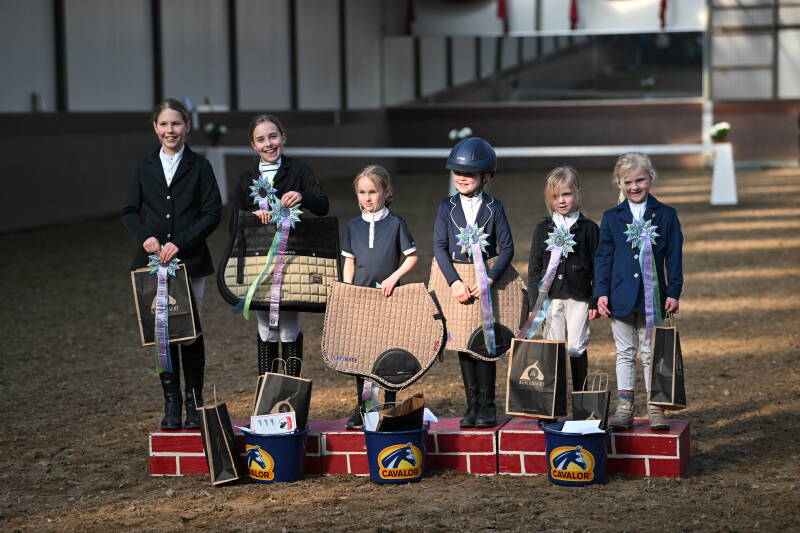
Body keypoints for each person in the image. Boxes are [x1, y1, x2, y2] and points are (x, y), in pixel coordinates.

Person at [122, 98, 222, 430]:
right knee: (163, 333)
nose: (170, 130)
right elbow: (130, 211)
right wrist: (146, 238)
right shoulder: (143, 167)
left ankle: (193, 402)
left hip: (189, 262)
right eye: (164, 124)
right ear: (155, 128)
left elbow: (212, 212)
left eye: (176, 123)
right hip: (153, 264)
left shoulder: (200, 166)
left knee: (189, 331)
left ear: (187, 126)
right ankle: (171, 402)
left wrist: (182, 242)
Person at [233, 114, 329, 377]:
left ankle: (290, 389)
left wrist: (302, 195)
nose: (268, 144)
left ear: (283, 137)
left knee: (289, 323)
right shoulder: (245, 179)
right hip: (258, 260)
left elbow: (323, 205)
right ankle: (267, 389)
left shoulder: (299, 170)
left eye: (273, 136)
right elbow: (233, 222)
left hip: (292, 258)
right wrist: (250, 218)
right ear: (253, 145)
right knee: (265, 323)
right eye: (261, 139)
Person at [594, 152, 683, 430]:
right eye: (628, 182)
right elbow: (603, 257)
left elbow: (674, 256)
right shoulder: (611, 217)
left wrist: (673, 291)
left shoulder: (666, 215)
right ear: (619, 183)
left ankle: (655, 407)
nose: (635, 187)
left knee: (650, 352)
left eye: (640, 180)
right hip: (619, 296)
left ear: (651, 179)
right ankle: (625, 406)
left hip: (652, 297)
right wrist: (601, 292)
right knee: (624, 352)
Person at [433, 138, 513, 428]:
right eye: (457, 172)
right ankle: (472, 404)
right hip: (458, 283)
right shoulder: (446, 206)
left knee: (485, 342)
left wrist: (490, 279)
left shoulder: (495, 207)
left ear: (486, 176)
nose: (461, 178)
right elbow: (440, 247)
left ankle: (488, 406)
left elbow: (507, 248)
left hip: (484, 283)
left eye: (468, 173)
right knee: (463, 345)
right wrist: (453, 282)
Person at [340, 165, 418, 429]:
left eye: (372, 192)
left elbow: (412, 257)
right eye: (362, 192)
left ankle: (389, 403)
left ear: (386, 192)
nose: (367, 197)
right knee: (363, 354)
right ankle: (364, 406)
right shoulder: (353, 226)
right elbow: (349, 262)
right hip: (360, 301)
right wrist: (347, 290)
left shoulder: (396, 224)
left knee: (387, 353)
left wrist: (394, 278)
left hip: (388, 299)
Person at [528, 167, 599, 392]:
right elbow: (534, 268)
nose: (561, 200)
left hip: (579, 297)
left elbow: (598, 267)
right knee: (553, 349)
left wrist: (595, 301)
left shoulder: (589, 229)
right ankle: (554, 402)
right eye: (555, 196)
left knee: (576, 347)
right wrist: (533, 304)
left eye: (566, 194)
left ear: (578, 193)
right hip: (550, 298)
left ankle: (581, 397)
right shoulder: (543, 229)